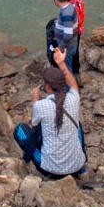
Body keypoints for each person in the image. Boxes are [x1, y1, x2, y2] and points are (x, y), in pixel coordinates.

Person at [14, 47, 86, 179]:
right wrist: (62, 64)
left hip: (50, 170)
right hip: (75, 165)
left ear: (46, 87)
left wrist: (34, 100)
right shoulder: (74, 98)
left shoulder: (41, 106)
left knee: (20, 130)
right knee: (78, 125)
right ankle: (82, 170)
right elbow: (73, 84)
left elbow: (34, 125)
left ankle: (26, 162)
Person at [60, 0, 85, 81]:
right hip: (79, 29)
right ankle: (75, 72)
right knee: (75, 50)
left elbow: (73, 20)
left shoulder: (72, 6)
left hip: (74, 31)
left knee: (72, 52)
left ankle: (74, 74)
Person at [52, 0, 78, 74]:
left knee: (66, 70)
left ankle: (69, 87)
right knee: (68, 66)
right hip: (72, 44)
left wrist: (61, 48)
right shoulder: (70, 7)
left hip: (67, 47)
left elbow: (68, 35)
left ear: (56, 0)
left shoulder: (66, 13)